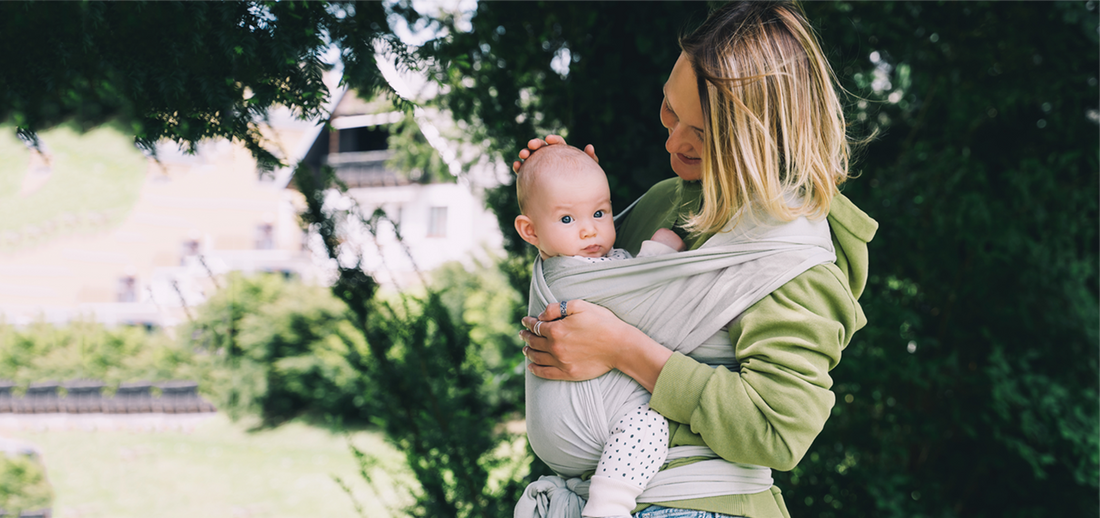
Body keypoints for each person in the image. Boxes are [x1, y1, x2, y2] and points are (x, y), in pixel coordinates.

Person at [515, 2, 879, 518]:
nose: (674, 137)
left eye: (703, 133)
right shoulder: (668, 199)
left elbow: (779, 430)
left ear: (761, 139)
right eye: (670, 108)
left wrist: (625, 350)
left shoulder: (789, 253)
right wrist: (554, 194)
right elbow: (585, 292)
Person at [514, 143, 684, 518]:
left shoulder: (589, 258)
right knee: (649, 423)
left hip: (577, 435)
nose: (589, 229)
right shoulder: (567, 272)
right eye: (567, 219)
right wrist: (659, 254)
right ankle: (607, 509)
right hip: (591, 425)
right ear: (530, 232)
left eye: (598, 212)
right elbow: (640, 297)